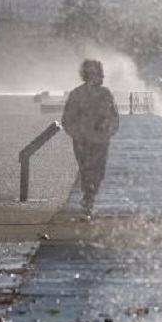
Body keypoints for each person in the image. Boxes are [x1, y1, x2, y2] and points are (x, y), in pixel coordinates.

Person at [62, 59, 119, 218]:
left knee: (96, 171)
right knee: (88, 171)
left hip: (97, 140)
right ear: (86, 74)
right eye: (90, 73)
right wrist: (76, 134)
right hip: (85, 140)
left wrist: (107, 130)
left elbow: (113, 117)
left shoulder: (104, 94)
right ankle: (88, 198)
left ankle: (89, 198)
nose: (93, 76)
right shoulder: (78, 94)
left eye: (95, 73)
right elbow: (68, 118)